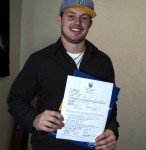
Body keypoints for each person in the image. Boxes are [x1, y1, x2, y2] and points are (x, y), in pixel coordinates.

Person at [7, 0, 119, 149]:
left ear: (90, 23)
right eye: (71, 16)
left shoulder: (103, 62)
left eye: (84, 17)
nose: (77, 23)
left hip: (92, 146)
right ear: (60, 20)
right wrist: (34, 119)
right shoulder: (39, 60)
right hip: (49, 146)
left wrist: (112, 130)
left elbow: (110, 106)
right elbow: (15, 100)